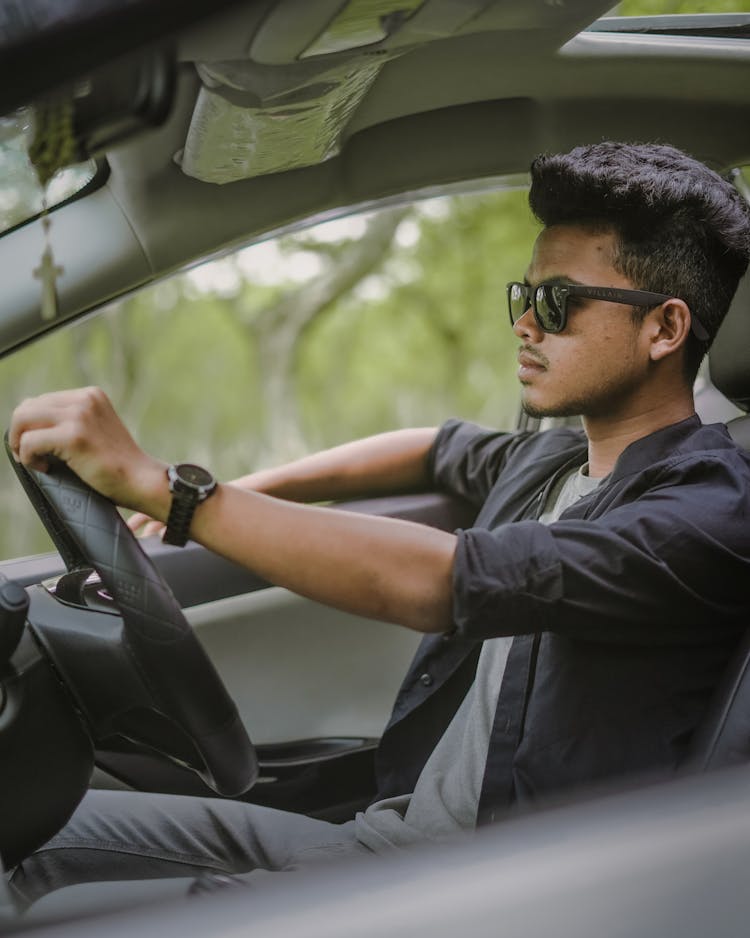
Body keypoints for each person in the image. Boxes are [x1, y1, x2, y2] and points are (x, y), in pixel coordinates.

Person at [8, 141, 750, 908]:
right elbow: (432, 449)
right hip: (384, 837)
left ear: (664, 329)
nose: (525, 324)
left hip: (491, 892)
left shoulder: (704, 512)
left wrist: (175, 493)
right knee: (26, 832)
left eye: (558, 302)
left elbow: (443, 579)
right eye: (520, 298)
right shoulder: (554, 462)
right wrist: (248, 483)